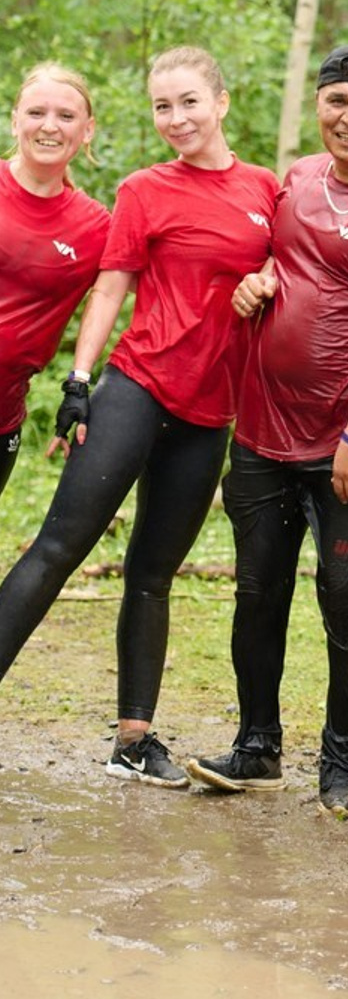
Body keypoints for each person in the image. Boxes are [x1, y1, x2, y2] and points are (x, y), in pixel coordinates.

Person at [0, 46, 277, 785]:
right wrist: (81, 379)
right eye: (162, 106)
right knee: (58, 548)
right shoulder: (143, 189)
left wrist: (267, 276)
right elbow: (111, 287)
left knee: (153, 574)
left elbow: (300, 258)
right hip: (137, 385)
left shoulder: (265, 191)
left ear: (221, 102)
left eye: (188, 101)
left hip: (209, 411)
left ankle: (133, 739)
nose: (176, 118)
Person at [186, 44, 348, 817]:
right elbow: (272, 265)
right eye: (337, 100)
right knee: (257, 593)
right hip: (262, 431)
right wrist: (253, 284)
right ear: (319, 107)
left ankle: (343, 759)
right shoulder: (297, 178)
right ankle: (257, 746)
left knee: (346, 597)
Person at [0, 63, 110, 498]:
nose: (50, 127)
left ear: (87, 130)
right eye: (35, 113)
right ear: (14, 120)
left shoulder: (95, 226)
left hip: (4, 415)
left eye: (65, 116)